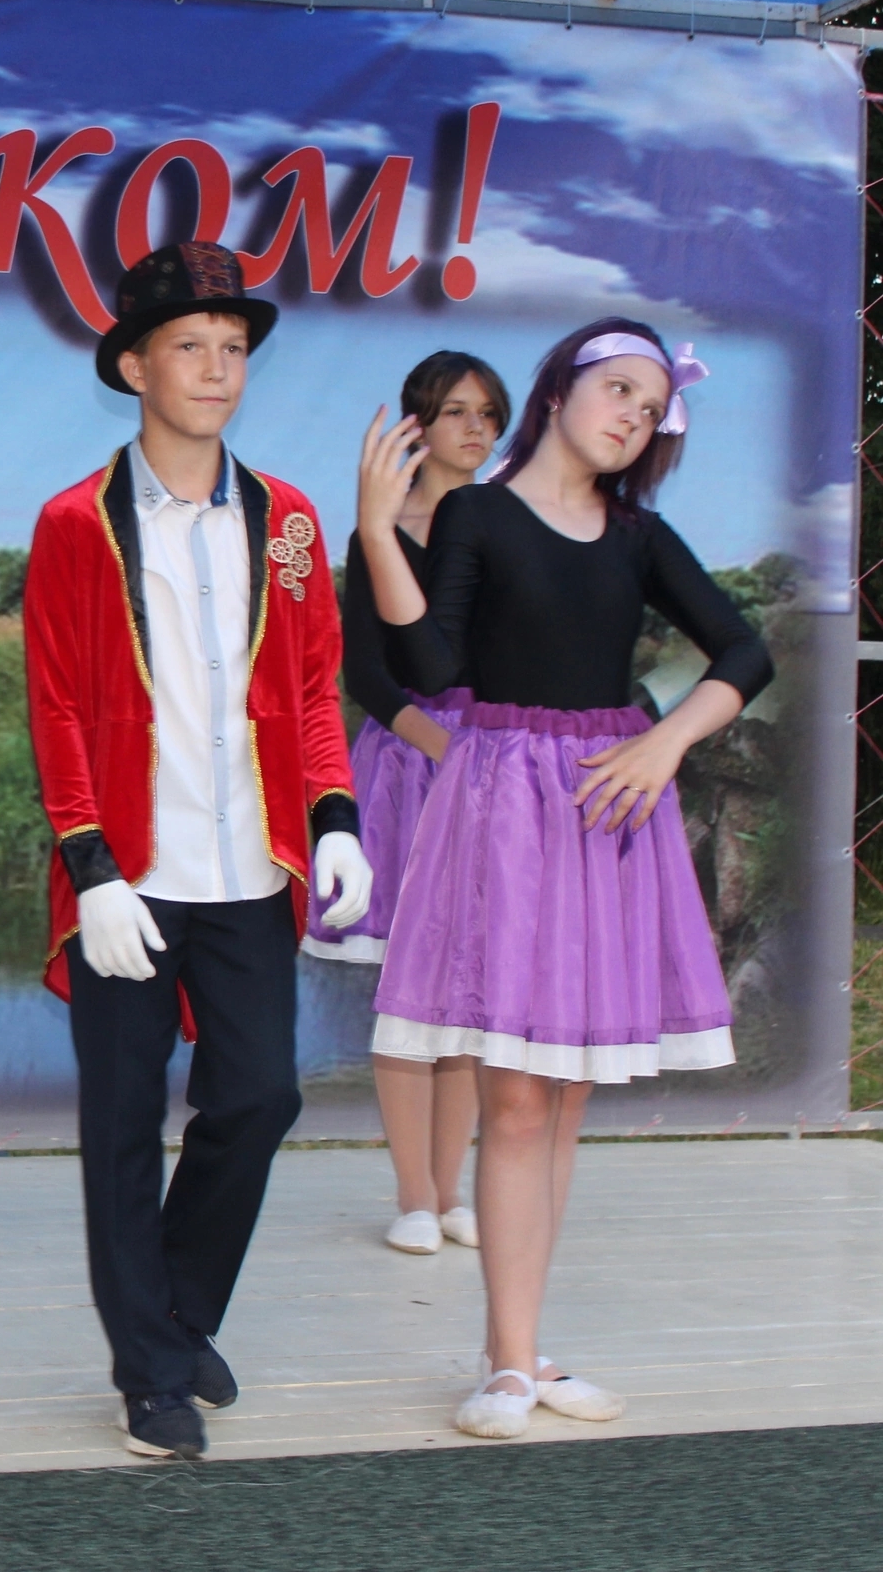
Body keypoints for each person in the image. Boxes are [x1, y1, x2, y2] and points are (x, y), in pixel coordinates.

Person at [355, 318, 768, 1438]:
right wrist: (378, 532)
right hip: (501, 809)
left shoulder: (640, 537)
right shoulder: (479, 514)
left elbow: (745, 651)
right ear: (559, 391)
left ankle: (524, 1351)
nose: (634, 415)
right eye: (618, 389)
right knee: (515, 1094)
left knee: (567, 1094)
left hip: (607, 808)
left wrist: (665, 740)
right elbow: (428, 662)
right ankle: (505, 1364)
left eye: (652, 406)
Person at [25, 241, 373, 1463]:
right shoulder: (76, 523)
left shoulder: (287, 521)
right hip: (129, 873)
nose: (217, 368)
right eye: (190, 346)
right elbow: (56, 705)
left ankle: (171, 1315)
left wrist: (333, 818)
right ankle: (150, 1376)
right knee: (122, 1124)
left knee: (261, 1094)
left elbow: (314, 685)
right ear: (134, 367)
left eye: (232, 348)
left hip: (245, 868)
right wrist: (90, 868)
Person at [305, 352, 506, 1256]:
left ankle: (455, 1191)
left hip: (492, 766)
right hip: (410, 767)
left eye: (489, 414)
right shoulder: (377, 534)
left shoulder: (510, 521)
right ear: (418, 424)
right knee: (408, 993)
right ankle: (414, 1196)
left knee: (470, 996)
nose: (477, 429)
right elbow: (365, 671)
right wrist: (441, 746)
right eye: (458, 411)